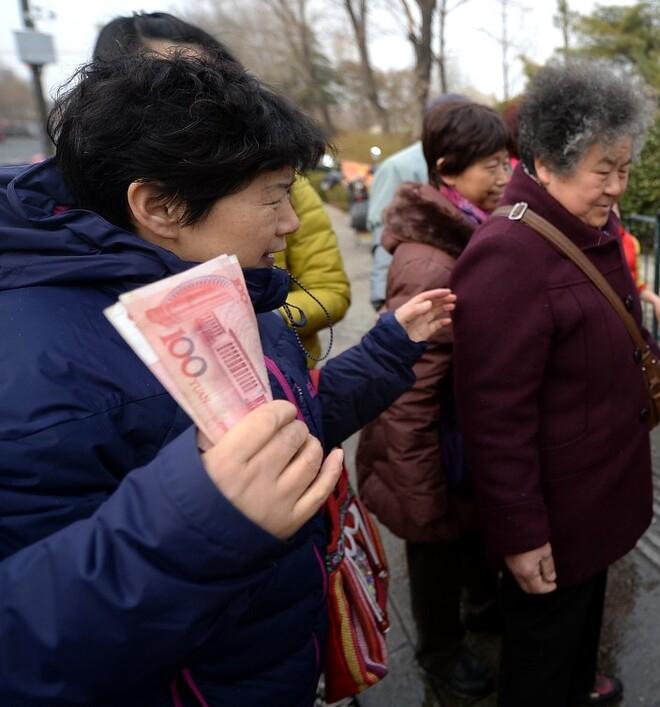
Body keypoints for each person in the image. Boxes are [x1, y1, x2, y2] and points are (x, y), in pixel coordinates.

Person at [0, 54, 454, 705]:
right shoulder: (36, 377)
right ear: (160, 205)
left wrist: (387, 351)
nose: (292, 222)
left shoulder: (226, 285)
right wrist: (201, 520)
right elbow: (24, 647)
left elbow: (290, 422)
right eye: (273, 196)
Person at [451, 60, 658, 707]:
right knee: (540, 652)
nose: (617, 188)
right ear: (546, 162)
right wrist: (521, 532)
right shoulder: (508, 254)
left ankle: (579, 684)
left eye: (624, 168)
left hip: (597, 494)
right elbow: (493, 417)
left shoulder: (586, 225)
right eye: (604, 170)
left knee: (581, 622)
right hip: (557, 512)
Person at [355, 101, 512, 698]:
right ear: (447, 169)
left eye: (505, 163)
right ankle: (440, 653)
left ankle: (480, 608)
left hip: (456, 432)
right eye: (491, 166)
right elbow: (413, 386)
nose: (504, 177)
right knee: (433, 553)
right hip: (428, 438)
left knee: (465, 535)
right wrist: (417, 482)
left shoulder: (466, 231)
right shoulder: (430, 263)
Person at [93, 11, 352, 366]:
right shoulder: (79, 232)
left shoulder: (282, 188)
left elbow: (330, 289)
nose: (288, 223)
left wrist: (246, 323)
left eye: (214, 79)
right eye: (175, 84)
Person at [367, 94, 469, 310]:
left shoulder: (473, 160)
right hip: (414, 286)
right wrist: (381, 299)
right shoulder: (396, 166)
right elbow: (384, 232)